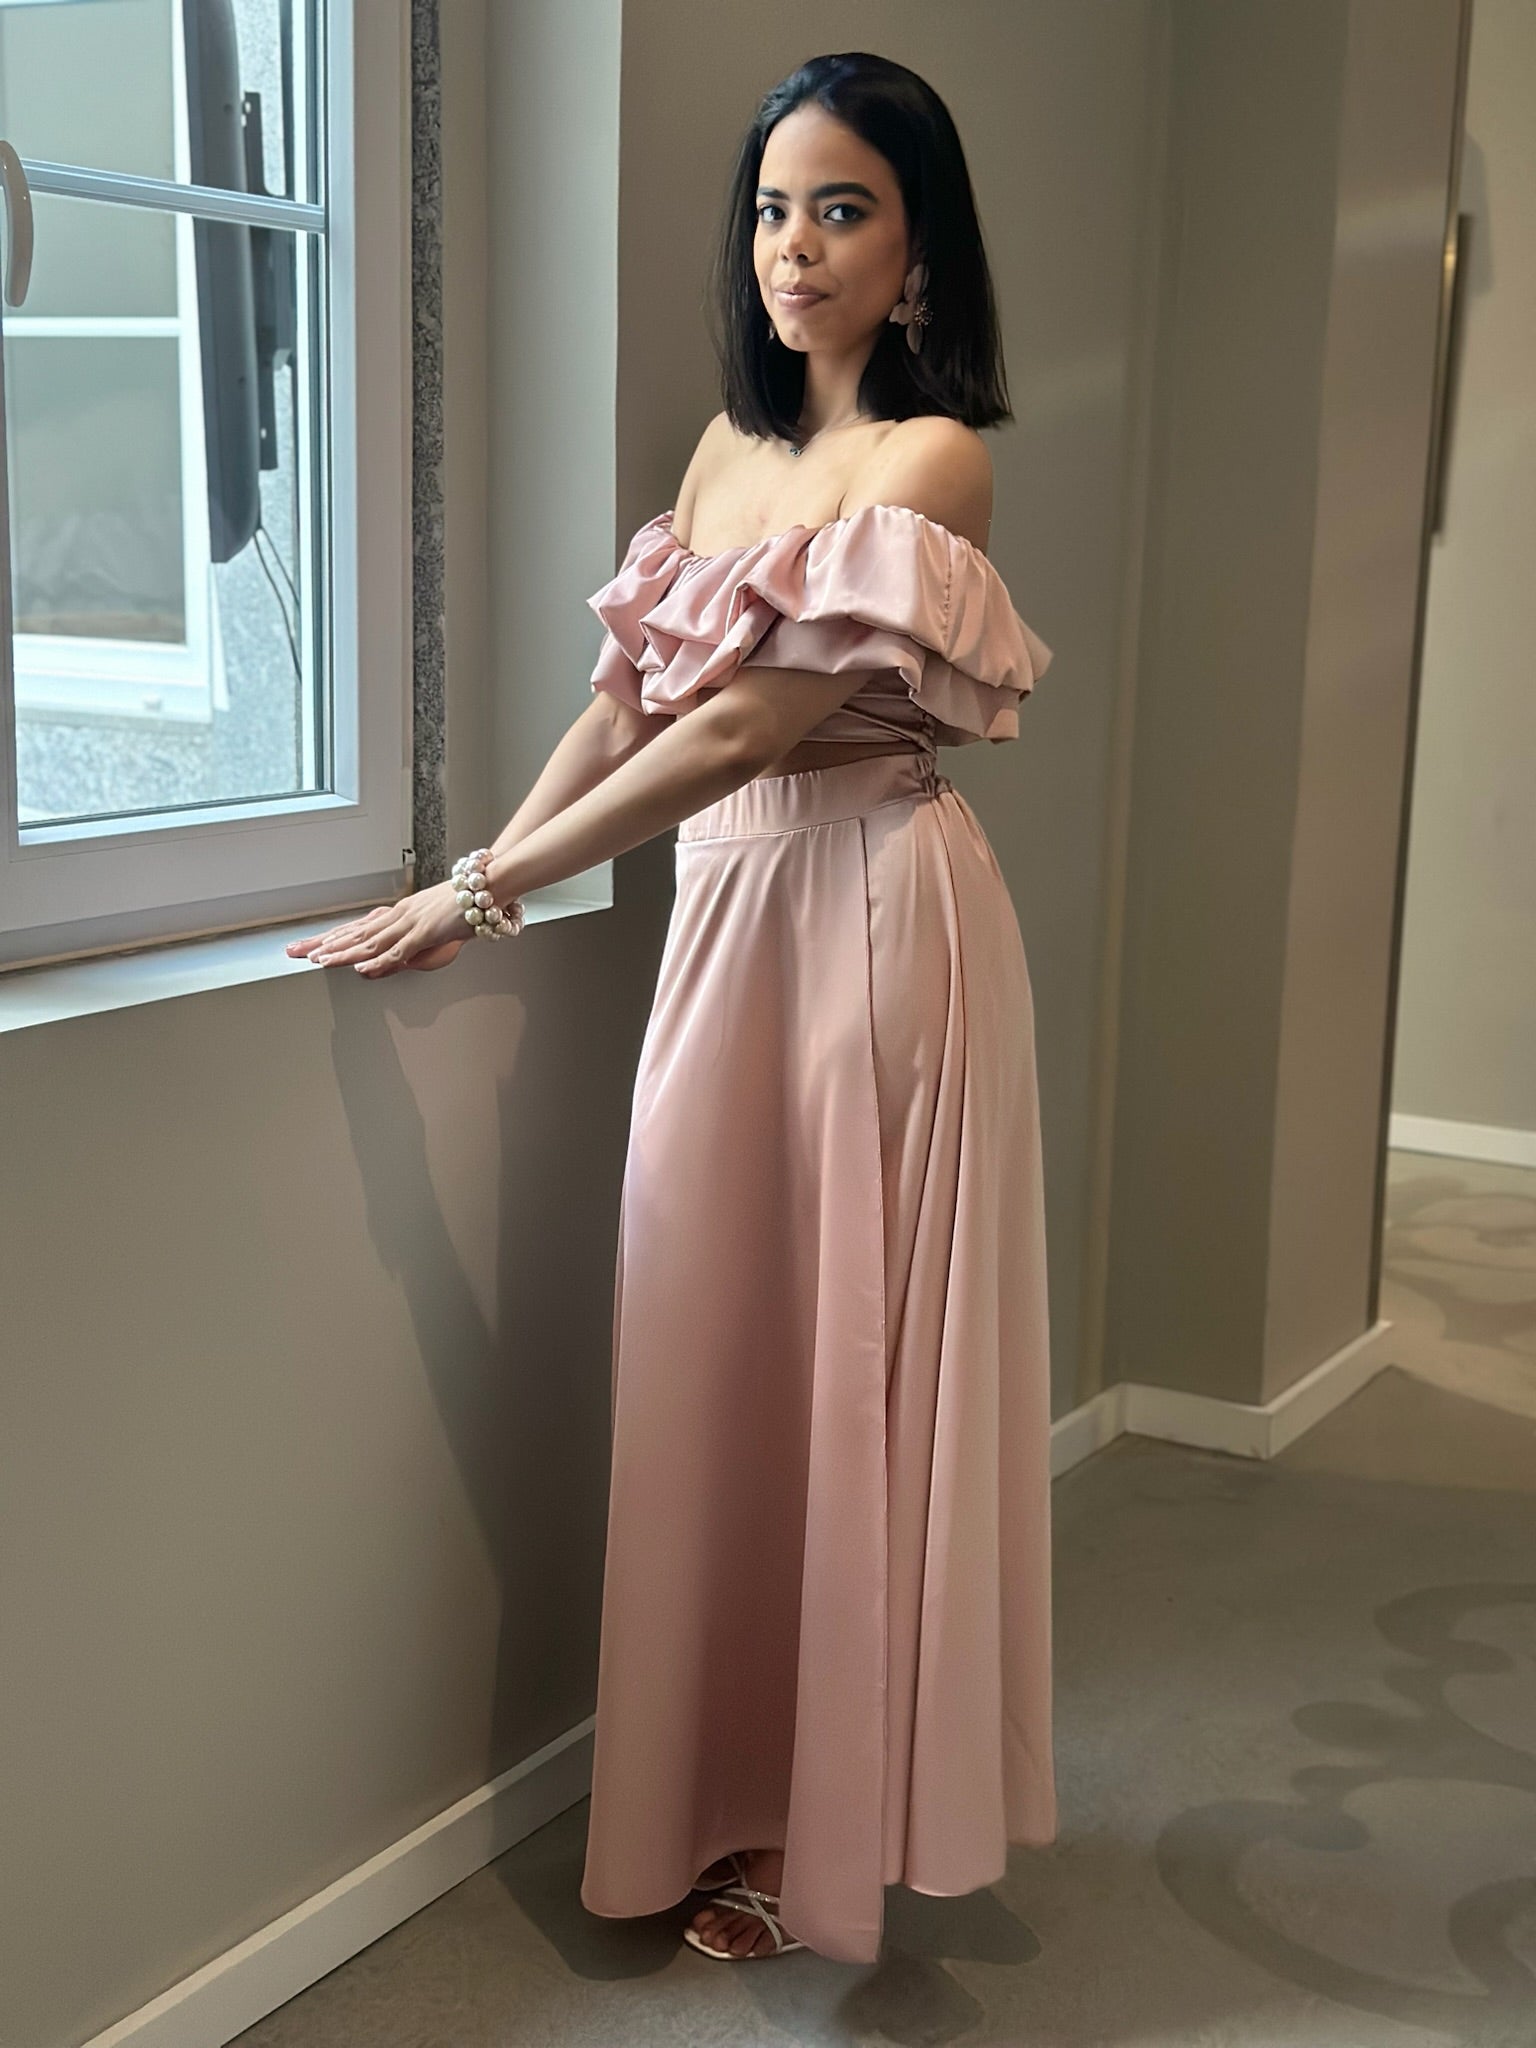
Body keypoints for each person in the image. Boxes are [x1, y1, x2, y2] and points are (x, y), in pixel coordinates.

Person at [289, 49, 1058, 1968]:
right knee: (714, 1350)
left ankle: (821, 1826)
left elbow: (746, 728)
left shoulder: (931, 460)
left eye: (845, 209)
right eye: (775, 207)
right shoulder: (726, 453)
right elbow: (632, 704)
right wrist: (475, 871)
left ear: (919, 247)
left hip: (873, 914)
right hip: (730, 923)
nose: (796, 247)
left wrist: (490, 893)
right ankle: (717, 1791)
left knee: (842, 1357)